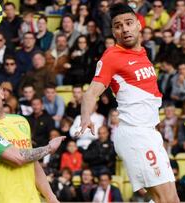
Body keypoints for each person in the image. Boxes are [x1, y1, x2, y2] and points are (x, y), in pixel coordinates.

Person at [77, 4, 179, 203]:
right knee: (166, 200)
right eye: (118, 25)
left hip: (149, 133)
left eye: (128, 23)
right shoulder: (112, 57)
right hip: (135, 133)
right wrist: (85, 117)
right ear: (113, 32)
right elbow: (91, 93)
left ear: (139, 25)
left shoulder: (144, 53)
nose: (124, 28)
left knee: (171, 199)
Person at [0, 78, 65, 203]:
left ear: (2, 94)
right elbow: (18, 159)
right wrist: (48, 148)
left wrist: (51, 198)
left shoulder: (21, 121)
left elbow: (33, 163)